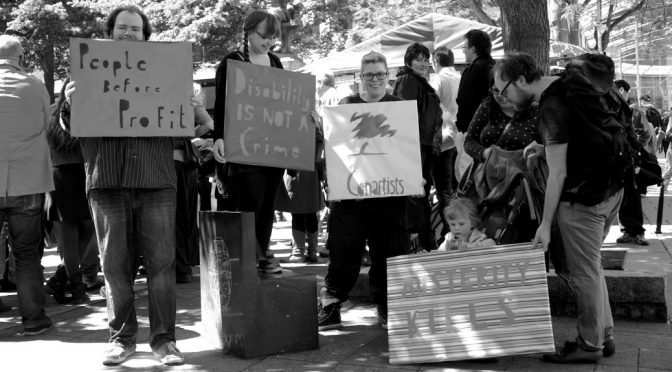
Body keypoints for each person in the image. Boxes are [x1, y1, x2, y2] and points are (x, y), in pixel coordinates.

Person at [61, 5, 183, 366]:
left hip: (155, 179)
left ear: (146, 36)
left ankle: (164, 342)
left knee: (162, 266)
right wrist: (69, 105)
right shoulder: (84, 72)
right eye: (122, 28)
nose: (128, 34)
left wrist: (187, 103)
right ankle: (120, 339)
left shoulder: (169, 72)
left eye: (135, 29)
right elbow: (64, 134)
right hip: (107, 179)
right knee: (114, 266)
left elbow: (184, 123)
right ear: (110, 32)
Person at [495, 53, 627, 363]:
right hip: (611, 190)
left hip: (583, 199)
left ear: (522, 80)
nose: (504, 98)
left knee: (582, 273)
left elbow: (559, 174)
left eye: (504, 90)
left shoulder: (551, 107)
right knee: (592, 266)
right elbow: (582, 138)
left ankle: (589, 343)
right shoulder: (569, 87)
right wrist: (544, 147)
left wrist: (545, 225)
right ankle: (604, 334)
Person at [317, 51, 412, 331]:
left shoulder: (399, 107)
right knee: (344, 249)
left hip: (390, 195)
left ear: (388, 76)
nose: (374, 80)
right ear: (361, 77)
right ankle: (331, 305)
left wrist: (415, 181)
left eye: (380, 74)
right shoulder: (347, 106)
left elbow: (408, 150)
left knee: (389, 250)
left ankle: (386, 305)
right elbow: (334, 148)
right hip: (351, 195)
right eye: (369, 74)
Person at [211, 10, 285, 274]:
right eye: (264, 35)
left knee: (267, 203)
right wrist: (218, 137)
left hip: (274, 146)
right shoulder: (232, 60)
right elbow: (221, 104)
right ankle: (248, 258)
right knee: (251, 199)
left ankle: (260, 255)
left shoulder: (275, 62)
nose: (269, 42)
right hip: (243, 145)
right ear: (248, 32)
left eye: (273, 37)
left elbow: (286, 102)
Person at [0, 35, 54, 334]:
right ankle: (34, 319)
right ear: (20, 55)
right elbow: (46, 125)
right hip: (27, 181)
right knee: (27, 254)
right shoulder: (34, 86)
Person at [44, 77, 96, 305]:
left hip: (58, 175)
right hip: (80, 172)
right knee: (85, 229)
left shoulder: (51, 113)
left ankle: (64, 279)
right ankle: (73, 286)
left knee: (74, 232)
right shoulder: (88, 111)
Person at [392, 42, 443, 252]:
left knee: (420, 194)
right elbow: (403, 115)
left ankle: (423, 240)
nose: (423, 63)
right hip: (414, 146)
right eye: (418, 59)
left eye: (425, 59)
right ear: (408, 61)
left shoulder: (419, 81)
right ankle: (416, 242)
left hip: (424, 145)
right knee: (414, 195)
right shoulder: (407, 80)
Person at [174, 84, 214, 284]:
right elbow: (208, 124)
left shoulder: (159, 97)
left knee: (173, 218)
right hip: (188, 165)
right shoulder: (189, 99)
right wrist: (190, 135)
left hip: (167, 164)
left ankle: (179, 266)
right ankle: (186, 265)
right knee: (187, 216)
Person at [454, 29, 495, 178]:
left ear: (473, 48)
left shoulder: (473, 70)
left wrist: (464, 130)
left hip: (475, 134)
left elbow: (464, 101)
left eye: (464, 47)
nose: (463, 51)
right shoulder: (498, 68)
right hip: (498, 132)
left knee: (469, 177)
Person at [613, 79, 649, 246]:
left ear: (620, 90)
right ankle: (627, 230)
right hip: (617, 159)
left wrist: (634, 150)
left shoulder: (633, 110)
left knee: (632, 195)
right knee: (621, 197)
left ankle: (637, 231)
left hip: (630, 160)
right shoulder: (612, 108)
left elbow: (643, 134)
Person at [429, 46, 460, 234]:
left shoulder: (438, 79)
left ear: (435, 62)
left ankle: (450, 232)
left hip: (445, 139)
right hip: (462, 139)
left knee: (445, 190)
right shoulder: (461, 77)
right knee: (459, 188)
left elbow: (432, 106)